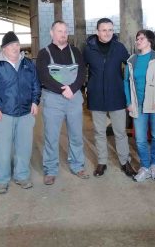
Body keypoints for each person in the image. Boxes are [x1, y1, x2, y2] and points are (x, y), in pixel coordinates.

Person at [0, 31, 41, 194]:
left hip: (25, 113)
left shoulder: (28, 64)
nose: (15, 47)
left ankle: (22, 176)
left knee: (24, 148)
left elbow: (36, 84)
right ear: (4, 48)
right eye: (11, 45)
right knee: (3, 149)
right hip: (4, 114)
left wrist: (35, 101)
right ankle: (2, 180)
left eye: (17, 44)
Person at [36, 20, 88, 185]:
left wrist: (72, 89)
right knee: (51, 136)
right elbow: (44, 76)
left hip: (73, 98)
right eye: (59, 31)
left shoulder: (75, 52)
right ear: (52, 33)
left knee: (76, 135)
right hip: (53, 99)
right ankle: (50, 170)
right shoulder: (44, 53)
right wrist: (62, 89)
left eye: (65, 31)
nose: (63, 34)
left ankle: (77, 165)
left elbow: (82, 73)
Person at [83, 18, 136, 178]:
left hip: (116, 95)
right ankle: (102, 162)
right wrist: (86, 87)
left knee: (120, 132)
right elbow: (80, 70)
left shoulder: (119, 47)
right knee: (99, 132)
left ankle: (125, 162)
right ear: (97, 31)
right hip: (97, 95)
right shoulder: (88, 49)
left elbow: (130, 66)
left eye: (110, 30)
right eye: (104, 30)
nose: (107, 33)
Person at [124, 30, 155, 182]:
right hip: (138, 105)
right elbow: (125, 82)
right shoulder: (131, 60)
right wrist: (129, 102)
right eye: (137, 38)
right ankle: (144, 166)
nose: (138, 41)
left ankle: (154, 165)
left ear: (149, 41)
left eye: (141, 38)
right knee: (140, 139)